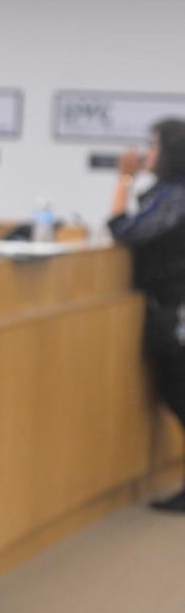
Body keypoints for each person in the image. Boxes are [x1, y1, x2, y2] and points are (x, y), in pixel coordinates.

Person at [108, 118, 185, 512]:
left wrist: (123, 180)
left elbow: (124, 230)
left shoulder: (176, 196)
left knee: (180, 392)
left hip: (176, 308)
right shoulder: (168, 193)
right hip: (169, 305)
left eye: (152, 146)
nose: (145, 154)